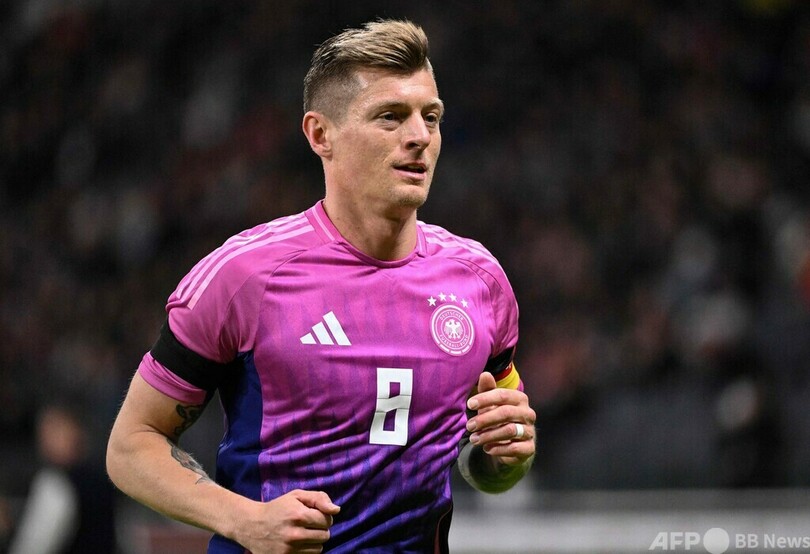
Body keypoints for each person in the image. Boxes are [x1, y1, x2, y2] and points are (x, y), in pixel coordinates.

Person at [106, 19, 536, 553]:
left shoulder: (480, 282)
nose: (419, 137)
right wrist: (245, 520)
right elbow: (131, 446)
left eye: (431, 117)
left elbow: (490, 466)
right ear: (319, 135)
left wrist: (509, 455)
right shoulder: (245, 276)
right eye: (390, 116)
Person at [11, 401, 117, 554]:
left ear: (77, 432)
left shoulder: (55, 482)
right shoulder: (106, 477)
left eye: (55, 430)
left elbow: (36, 544)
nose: (45, 439)